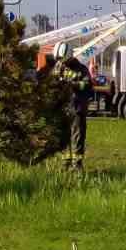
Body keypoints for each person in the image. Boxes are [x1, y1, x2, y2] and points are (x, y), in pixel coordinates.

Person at [51, 41, 93, 171]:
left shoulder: (81, 69)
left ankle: (77, 164)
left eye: (62, 59)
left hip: (77, 108)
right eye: (58, 60)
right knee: (62, 136)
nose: (61, 62)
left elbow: (88, 85)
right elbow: (52, 82)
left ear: (69, 55)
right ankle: (66, 162)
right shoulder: (58, 67)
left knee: (77, 136)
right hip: (63, 108)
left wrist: (73, 85)